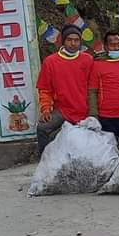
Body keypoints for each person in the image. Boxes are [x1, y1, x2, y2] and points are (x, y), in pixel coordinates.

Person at [36, 24, 94, 155]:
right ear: (63, 41)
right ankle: (46, 159)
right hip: (62, 110)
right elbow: (44, 89)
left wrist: (93, 111)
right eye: (69, 40)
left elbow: (93, 88)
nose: (73, 43)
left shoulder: (88, 60)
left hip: (85, 109)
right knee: (42, 128)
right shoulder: (50, 61)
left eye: (76, 40)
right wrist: (46, 109)